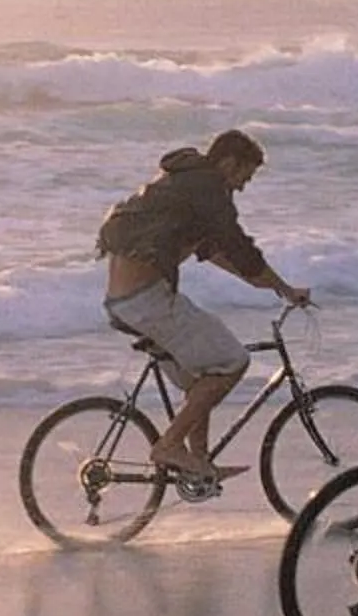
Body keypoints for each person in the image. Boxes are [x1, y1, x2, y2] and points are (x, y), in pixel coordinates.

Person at [97, 129, 312, 482]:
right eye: (246, 175)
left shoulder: (186, 184)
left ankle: (198, 464)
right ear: (229, 163)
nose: (243, 186)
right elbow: (240, 248)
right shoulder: (209, 188)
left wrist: (281, 288)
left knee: (202, 376)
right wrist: (282, 287)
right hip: (146, 301)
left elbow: (218, 253)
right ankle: (168, 446)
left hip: (126, 301)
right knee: (232, 362)